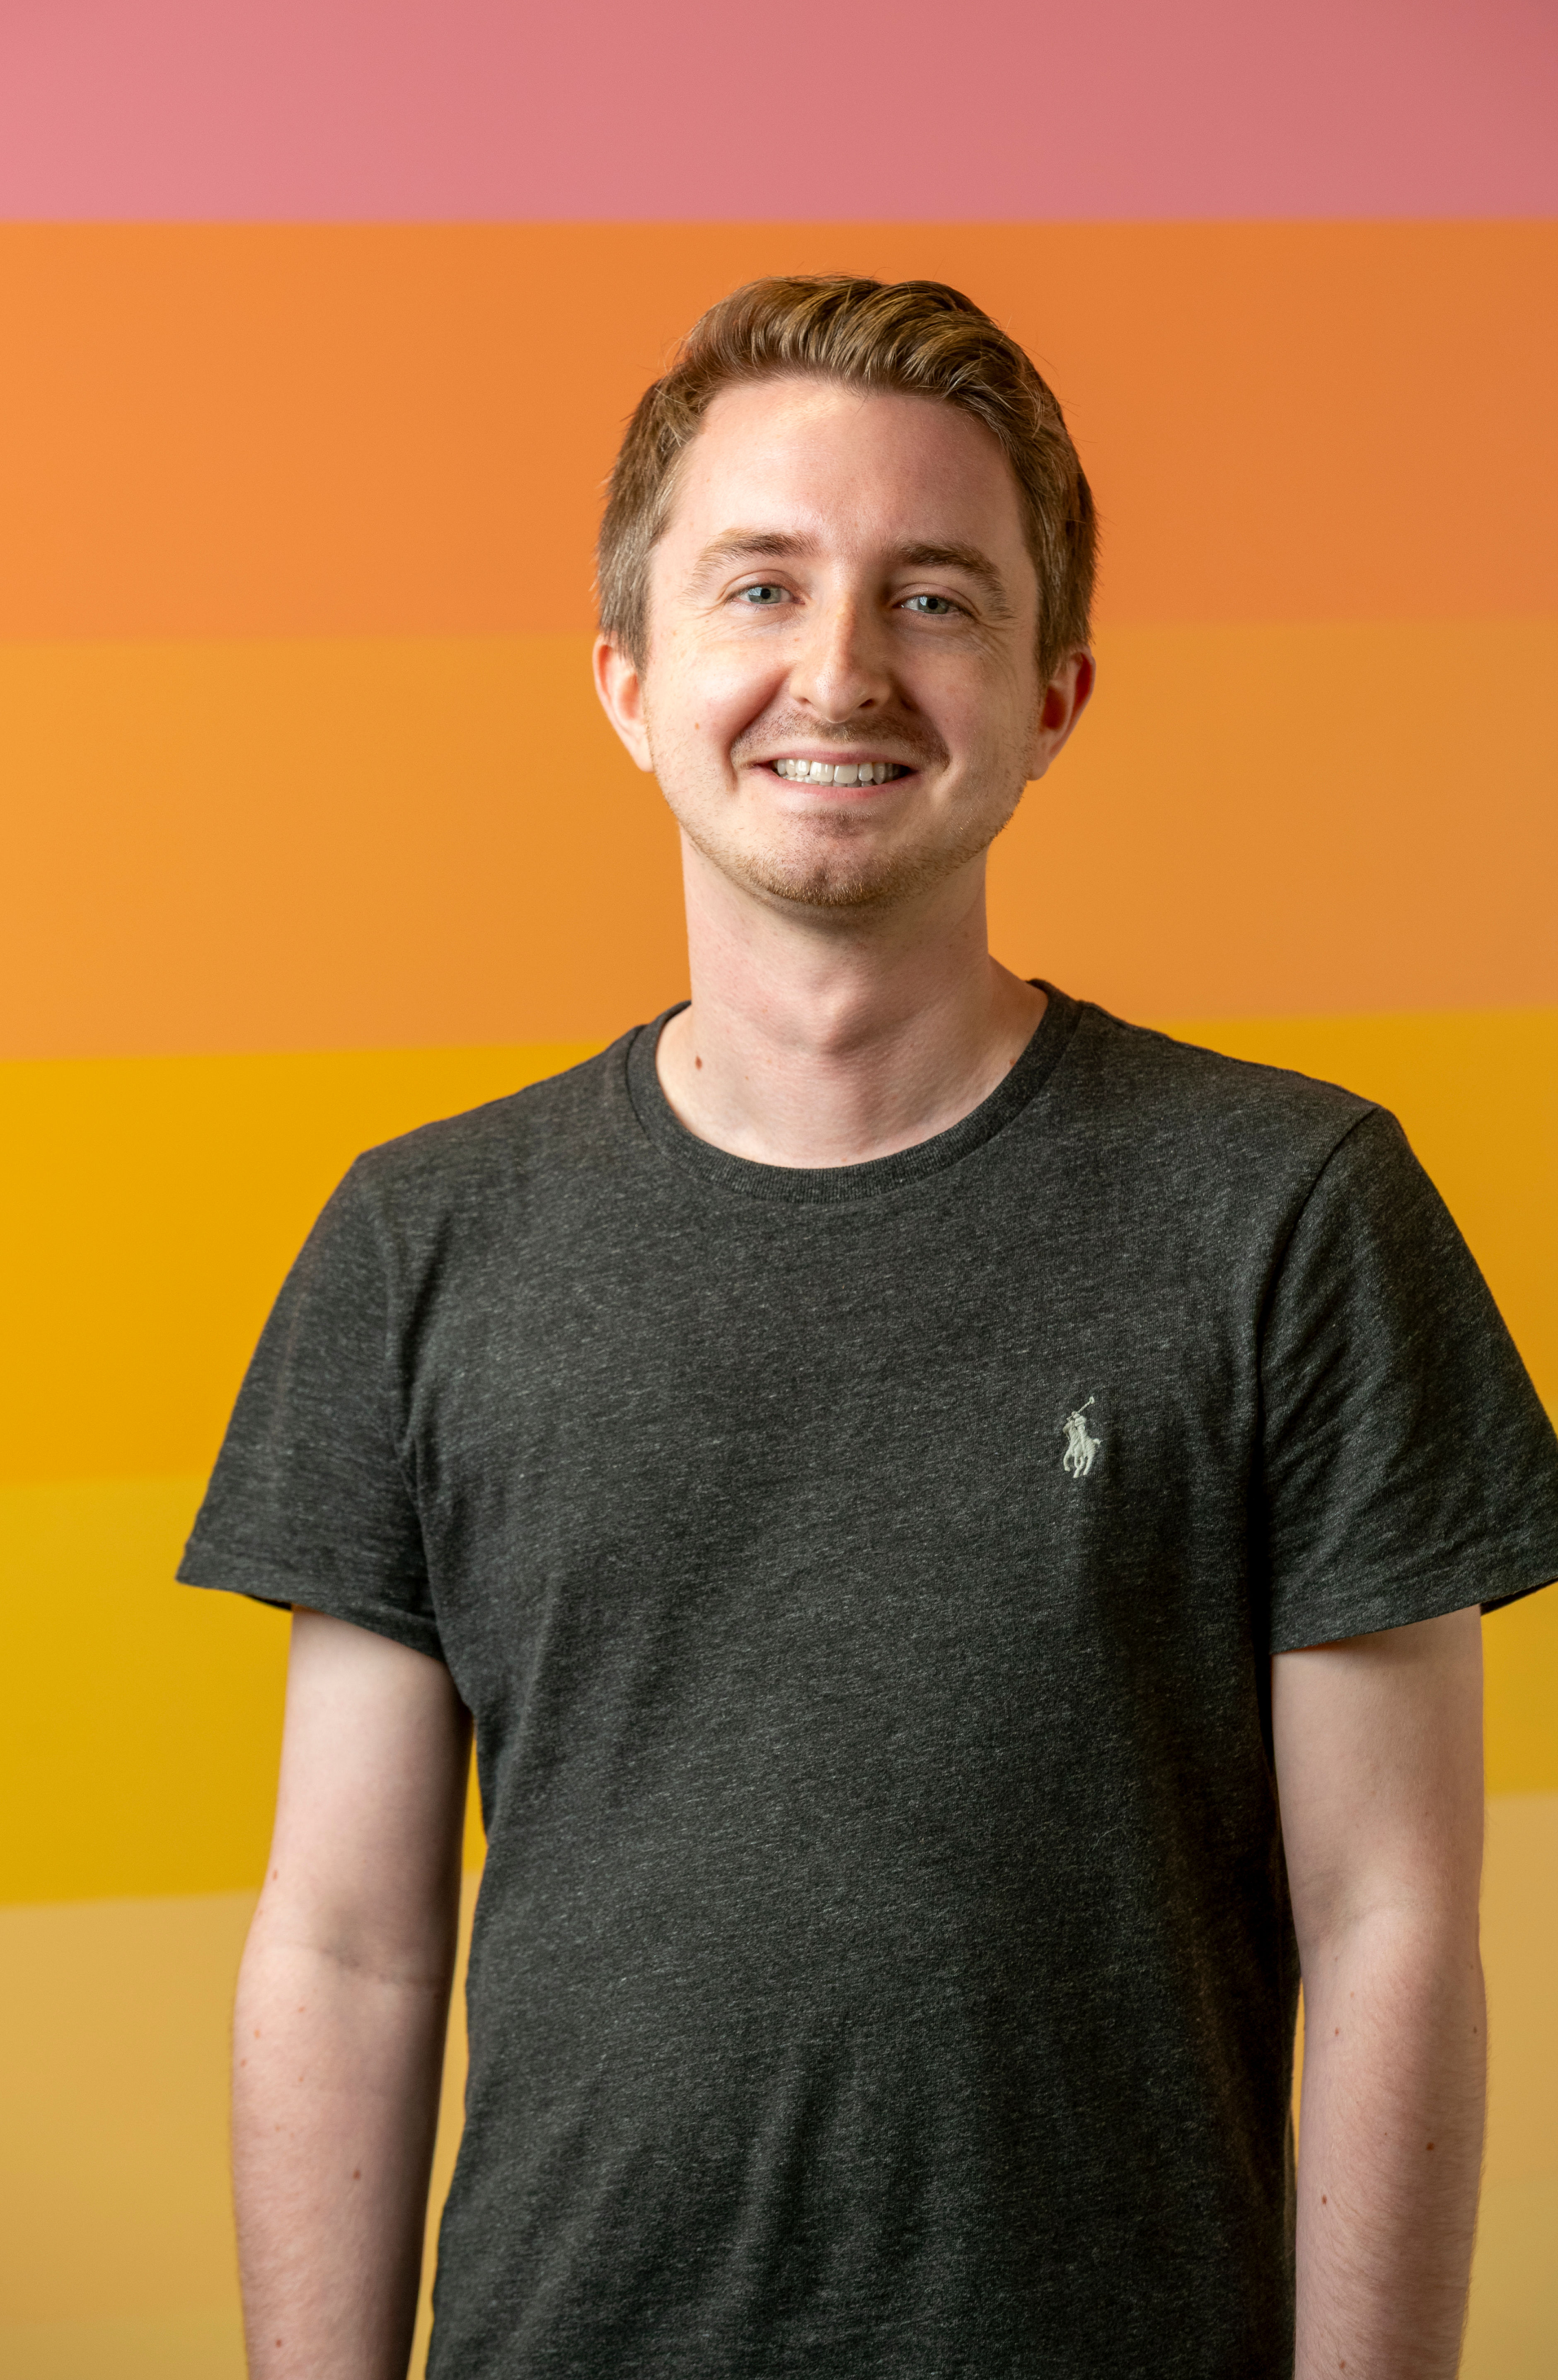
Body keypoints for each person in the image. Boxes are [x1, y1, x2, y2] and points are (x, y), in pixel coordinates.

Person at [179, 275, 1558, 2380]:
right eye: (760, 586)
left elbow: (1394, 1932)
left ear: (1054, 691)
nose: (840, 670)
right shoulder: (420, 1242)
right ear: (631, 683)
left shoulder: (1291, 1215)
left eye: (935, 598)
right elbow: (352, 1948)